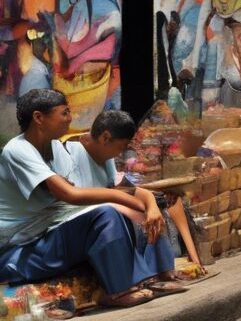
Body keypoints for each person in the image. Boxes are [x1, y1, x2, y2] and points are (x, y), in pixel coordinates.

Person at [0, 89, 165, 308]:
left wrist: (147, 205)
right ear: (39, 118)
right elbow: (70, 194)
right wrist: (120, 198)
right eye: (64, 113)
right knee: (106, 214)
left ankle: (142, 279)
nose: (70, 119)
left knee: (120, 214)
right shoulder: (18, 149)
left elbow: (67, 194)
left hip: (47, 237)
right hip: (19, 251)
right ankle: (119, 291)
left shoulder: (56, 148)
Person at [64, 110, 189, 296]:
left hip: (103, 211)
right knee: (129, 216)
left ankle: (161, 273)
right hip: (81, 219)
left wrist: (151, 205)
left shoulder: (104, 156)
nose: (121, 152)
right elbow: (79, 199)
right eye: (121, 147)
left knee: (153, 208)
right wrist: (137, 209)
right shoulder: (70, 153)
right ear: (106, 138)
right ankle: (139, 280)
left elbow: (126, 189)